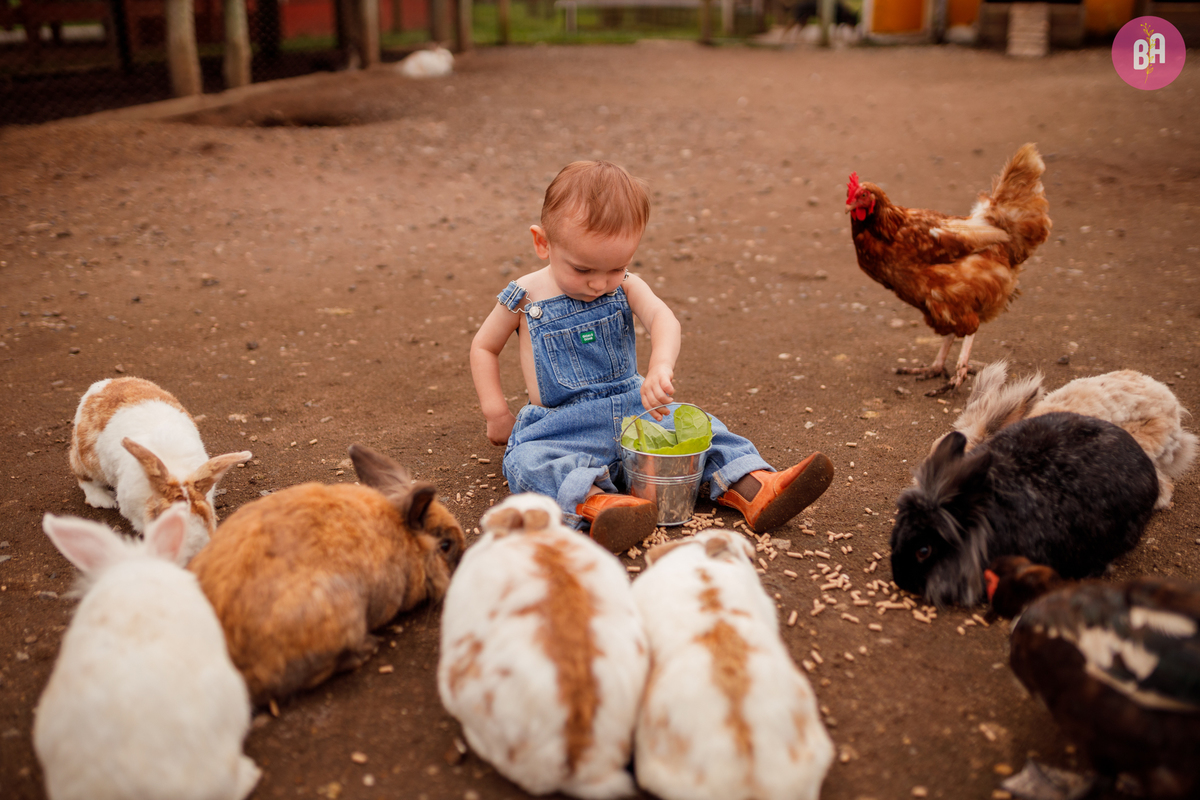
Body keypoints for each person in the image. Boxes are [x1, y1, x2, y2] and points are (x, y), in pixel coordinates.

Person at [470, 161, 833, 553]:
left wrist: (660, 365)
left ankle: (757, 487)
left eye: (616, 267)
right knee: (527, 461)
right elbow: (484, 347)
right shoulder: (525, 295)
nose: (599, 283)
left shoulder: (625, 286)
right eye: (582, 268)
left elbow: (663, 319)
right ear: (543, 243)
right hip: (561, 428)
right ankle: (601, 505)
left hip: (636, 414)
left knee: (701, 427)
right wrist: (496, 412)